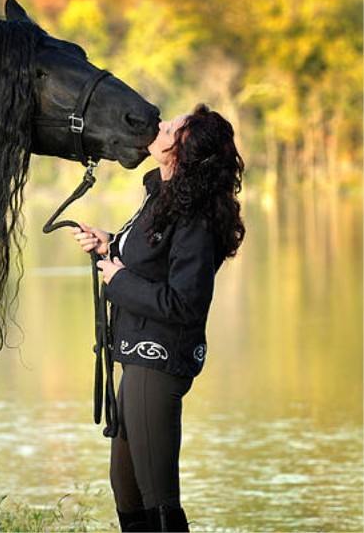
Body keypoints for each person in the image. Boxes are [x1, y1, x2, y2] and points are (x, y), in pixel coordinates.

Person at [70, 104, 245, 532]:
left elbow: (185, 303)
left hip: (160, 359)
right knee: (126, 488)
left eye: (172, 129)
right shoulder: (161, 197)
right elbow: (149, 259)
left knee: (158, 496)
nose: (160, 126)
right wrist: (109, 245)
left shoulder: (195, 218)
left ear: (182, 154)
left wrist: (118, 279)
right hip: (137, 355)